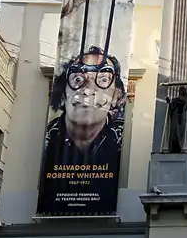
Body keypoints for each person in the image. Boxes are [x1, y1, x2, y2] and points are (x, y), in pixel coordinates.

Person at [38, 45, 125, 213]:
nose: (88, 91)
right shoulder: (46, 143)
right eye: (77, 79)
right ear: (63, 94)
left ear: (116, 96)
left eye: (103, 80)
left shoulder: (122, 143)